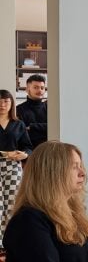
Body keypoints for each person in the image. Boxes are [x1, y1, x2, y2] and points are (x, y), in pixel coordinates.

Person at [0, 89, 32, 239]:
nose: (2, 104)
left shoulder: (18, 124)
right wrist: (5, 153)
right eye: (0, 101)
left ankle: (9, 239)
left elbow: (28, 147)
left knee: (12, 203)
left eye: (6, 101)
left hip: (13, 167)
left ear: (11, 103)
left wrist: (24, 154)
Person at [15, 74, 47, 149]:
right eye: (36, 87)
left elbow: (53, 126)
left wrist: (32, 127)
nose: (40, 90)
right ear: (27, 89)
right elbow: (22, 133)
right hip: (29, 151)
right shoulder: (18, 109)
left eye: (42, 88)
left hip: (49, 149)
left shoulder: (49, 108)